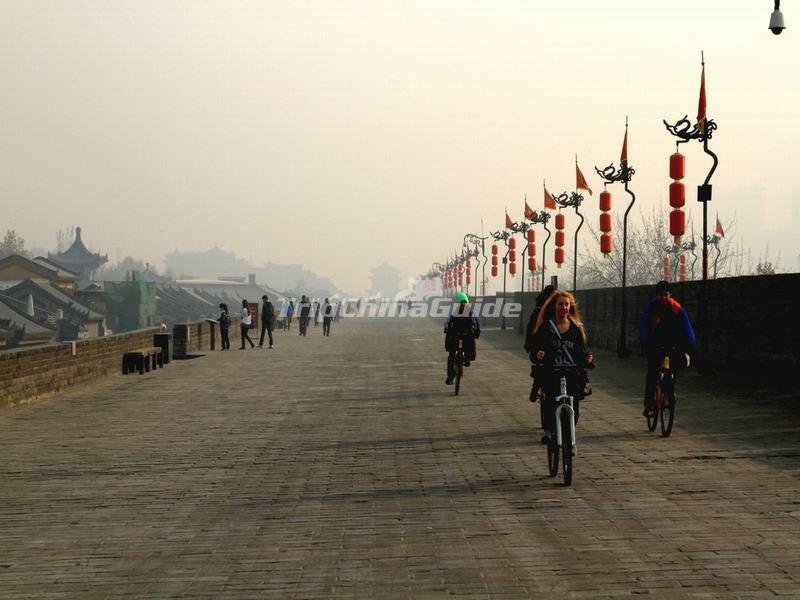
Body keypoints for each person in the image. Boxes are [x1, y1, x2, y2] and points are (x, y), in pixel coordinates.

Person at [531, 290, 594, 445]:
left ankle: (567, 431)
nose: (564, 308)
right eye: (560, 304)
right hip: (552, 370)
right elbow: (535, 349)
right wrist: (538, 354)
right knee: (549, 401)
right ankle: (549, 430)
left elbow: (580, 352)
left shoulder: (575, 328)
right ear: (554, 306)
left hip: (571, 371)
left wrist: (587, 359)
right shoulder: (546, 327)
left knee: (575, 409)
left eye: (566, 304)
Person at [638, 280, 696, 416]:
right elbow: (643, 327)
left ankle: (668, 389)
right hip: (655, 344)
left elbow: (687, 328)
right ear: (656, 295)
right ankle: (649, 404)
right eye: (660, 295)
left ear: (670, 295)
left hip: (672, 345)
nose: (663, 297)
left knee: (674, 366)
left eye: (666, 294)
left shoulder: (676, 309)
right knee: (652, 372)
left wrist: (690, 345)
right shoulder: (651, 308)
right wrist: (644, 341)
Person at [523, 285, 556, 401]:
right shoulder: (539, 310)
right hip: (540, 345)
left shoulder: (558, 309)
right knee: (541, 367)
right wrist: (528, 344)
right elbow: (531, 328)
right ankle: (534, 390)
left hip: (555, 345)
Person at [443, 292, 481, 385]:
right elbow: (476, 324)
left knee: (451, 356)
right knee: (469, 345)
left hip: (455, 337)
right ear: (467, 301)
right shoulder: (470, 312)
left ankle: (450, 377)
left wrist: (446, 330)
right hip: (467, 337)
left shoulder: (454, 312)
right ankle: (467, 359)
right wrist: (476, 333)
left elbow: (446, 323)